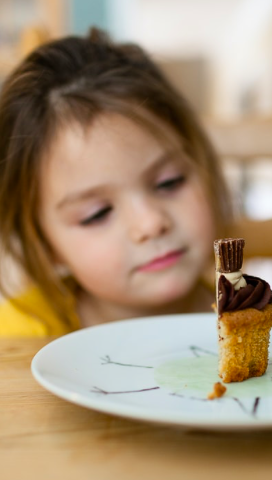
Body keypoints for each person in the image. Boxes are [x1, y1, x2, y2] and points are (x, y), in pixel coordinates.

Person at [0, 28, 231, 336]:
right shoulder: (14, 340)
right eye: (96, 214)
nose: (150, 223)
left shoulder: (249, 316)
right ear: (45, 246)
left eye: (169, 182)